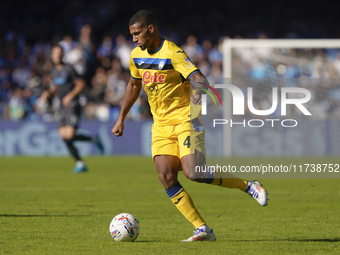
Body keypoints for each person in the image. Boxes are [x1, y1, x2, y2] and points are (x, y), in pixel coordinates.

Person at [111, 10, 268, 242]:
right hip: (161, 126)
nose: (134, 39)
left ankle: (247, 185)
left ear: (150, 29)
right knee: (166, 176)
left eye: (137, 33)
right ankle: (202, 229)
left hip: (187, 120)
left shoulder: (172, 52)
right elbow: (134, 85)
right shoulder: (136, 56)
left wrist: (198, 93)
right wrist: (121, 117)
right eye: (132, 35)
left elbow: (200, 78)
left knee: (194, 173)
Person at [39, 45, 104, 173]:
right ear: (52, 56)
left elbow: (81, 84)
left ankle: (81, 160)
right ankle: (82, 159)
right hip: (62, 107)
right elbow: (56, 87)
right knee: (65, 137)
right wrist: (48, 93)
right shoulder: (54, 71)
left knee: (69, 135)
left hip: (73, 105)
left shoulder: (69, 69)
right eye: (55, 53)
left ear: (62, 55)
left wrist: (70, 96)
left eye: (59, 53)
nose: (57, 55)